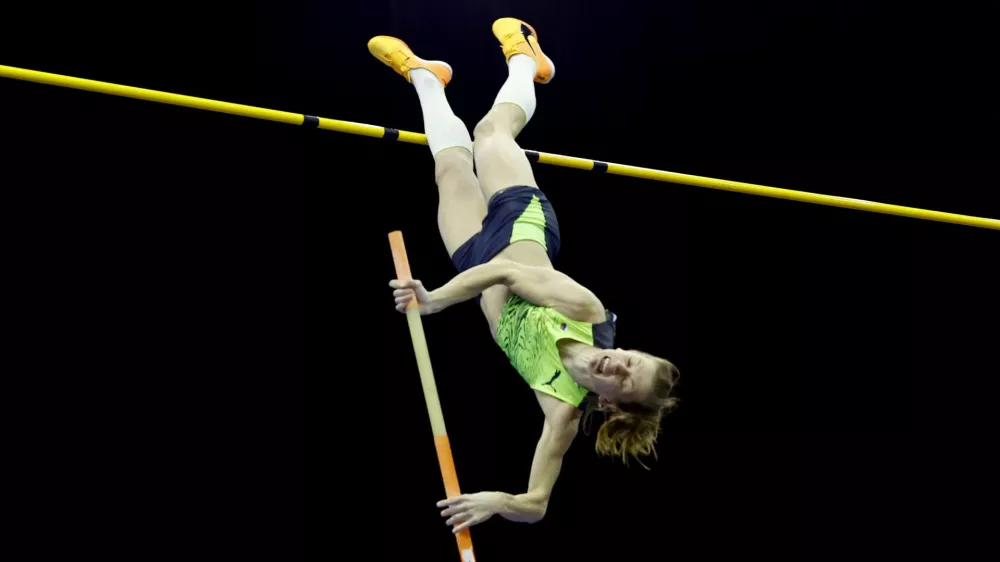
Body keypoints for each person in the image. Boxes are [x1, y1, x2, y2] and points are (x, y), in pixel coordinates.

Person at [373, 18, 680, 534]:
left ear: (609, 402)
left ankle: (425, 76)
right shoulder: (585, 311)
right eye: (631, 358)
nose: (618, 360)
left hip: (474, 262)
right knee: (489, 133)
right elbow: (507, 272)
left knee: (449, 166)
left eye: (623, 377)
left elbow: (536, 503)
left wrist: (498, 500)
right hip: (520, 227)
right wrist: (433, 302)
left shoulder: (561, 411)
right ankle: (526, 61)